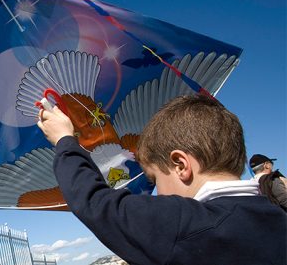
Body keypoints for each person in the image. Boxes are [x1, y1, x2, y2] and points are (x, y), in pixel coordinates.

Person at [37, 94, 286, 265]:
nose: (156, 193)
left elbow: (93, 202)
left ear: (180, 165)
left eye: (154, 179)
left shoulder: (183, 223)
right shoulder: (277, 217)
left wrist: (64, 139)